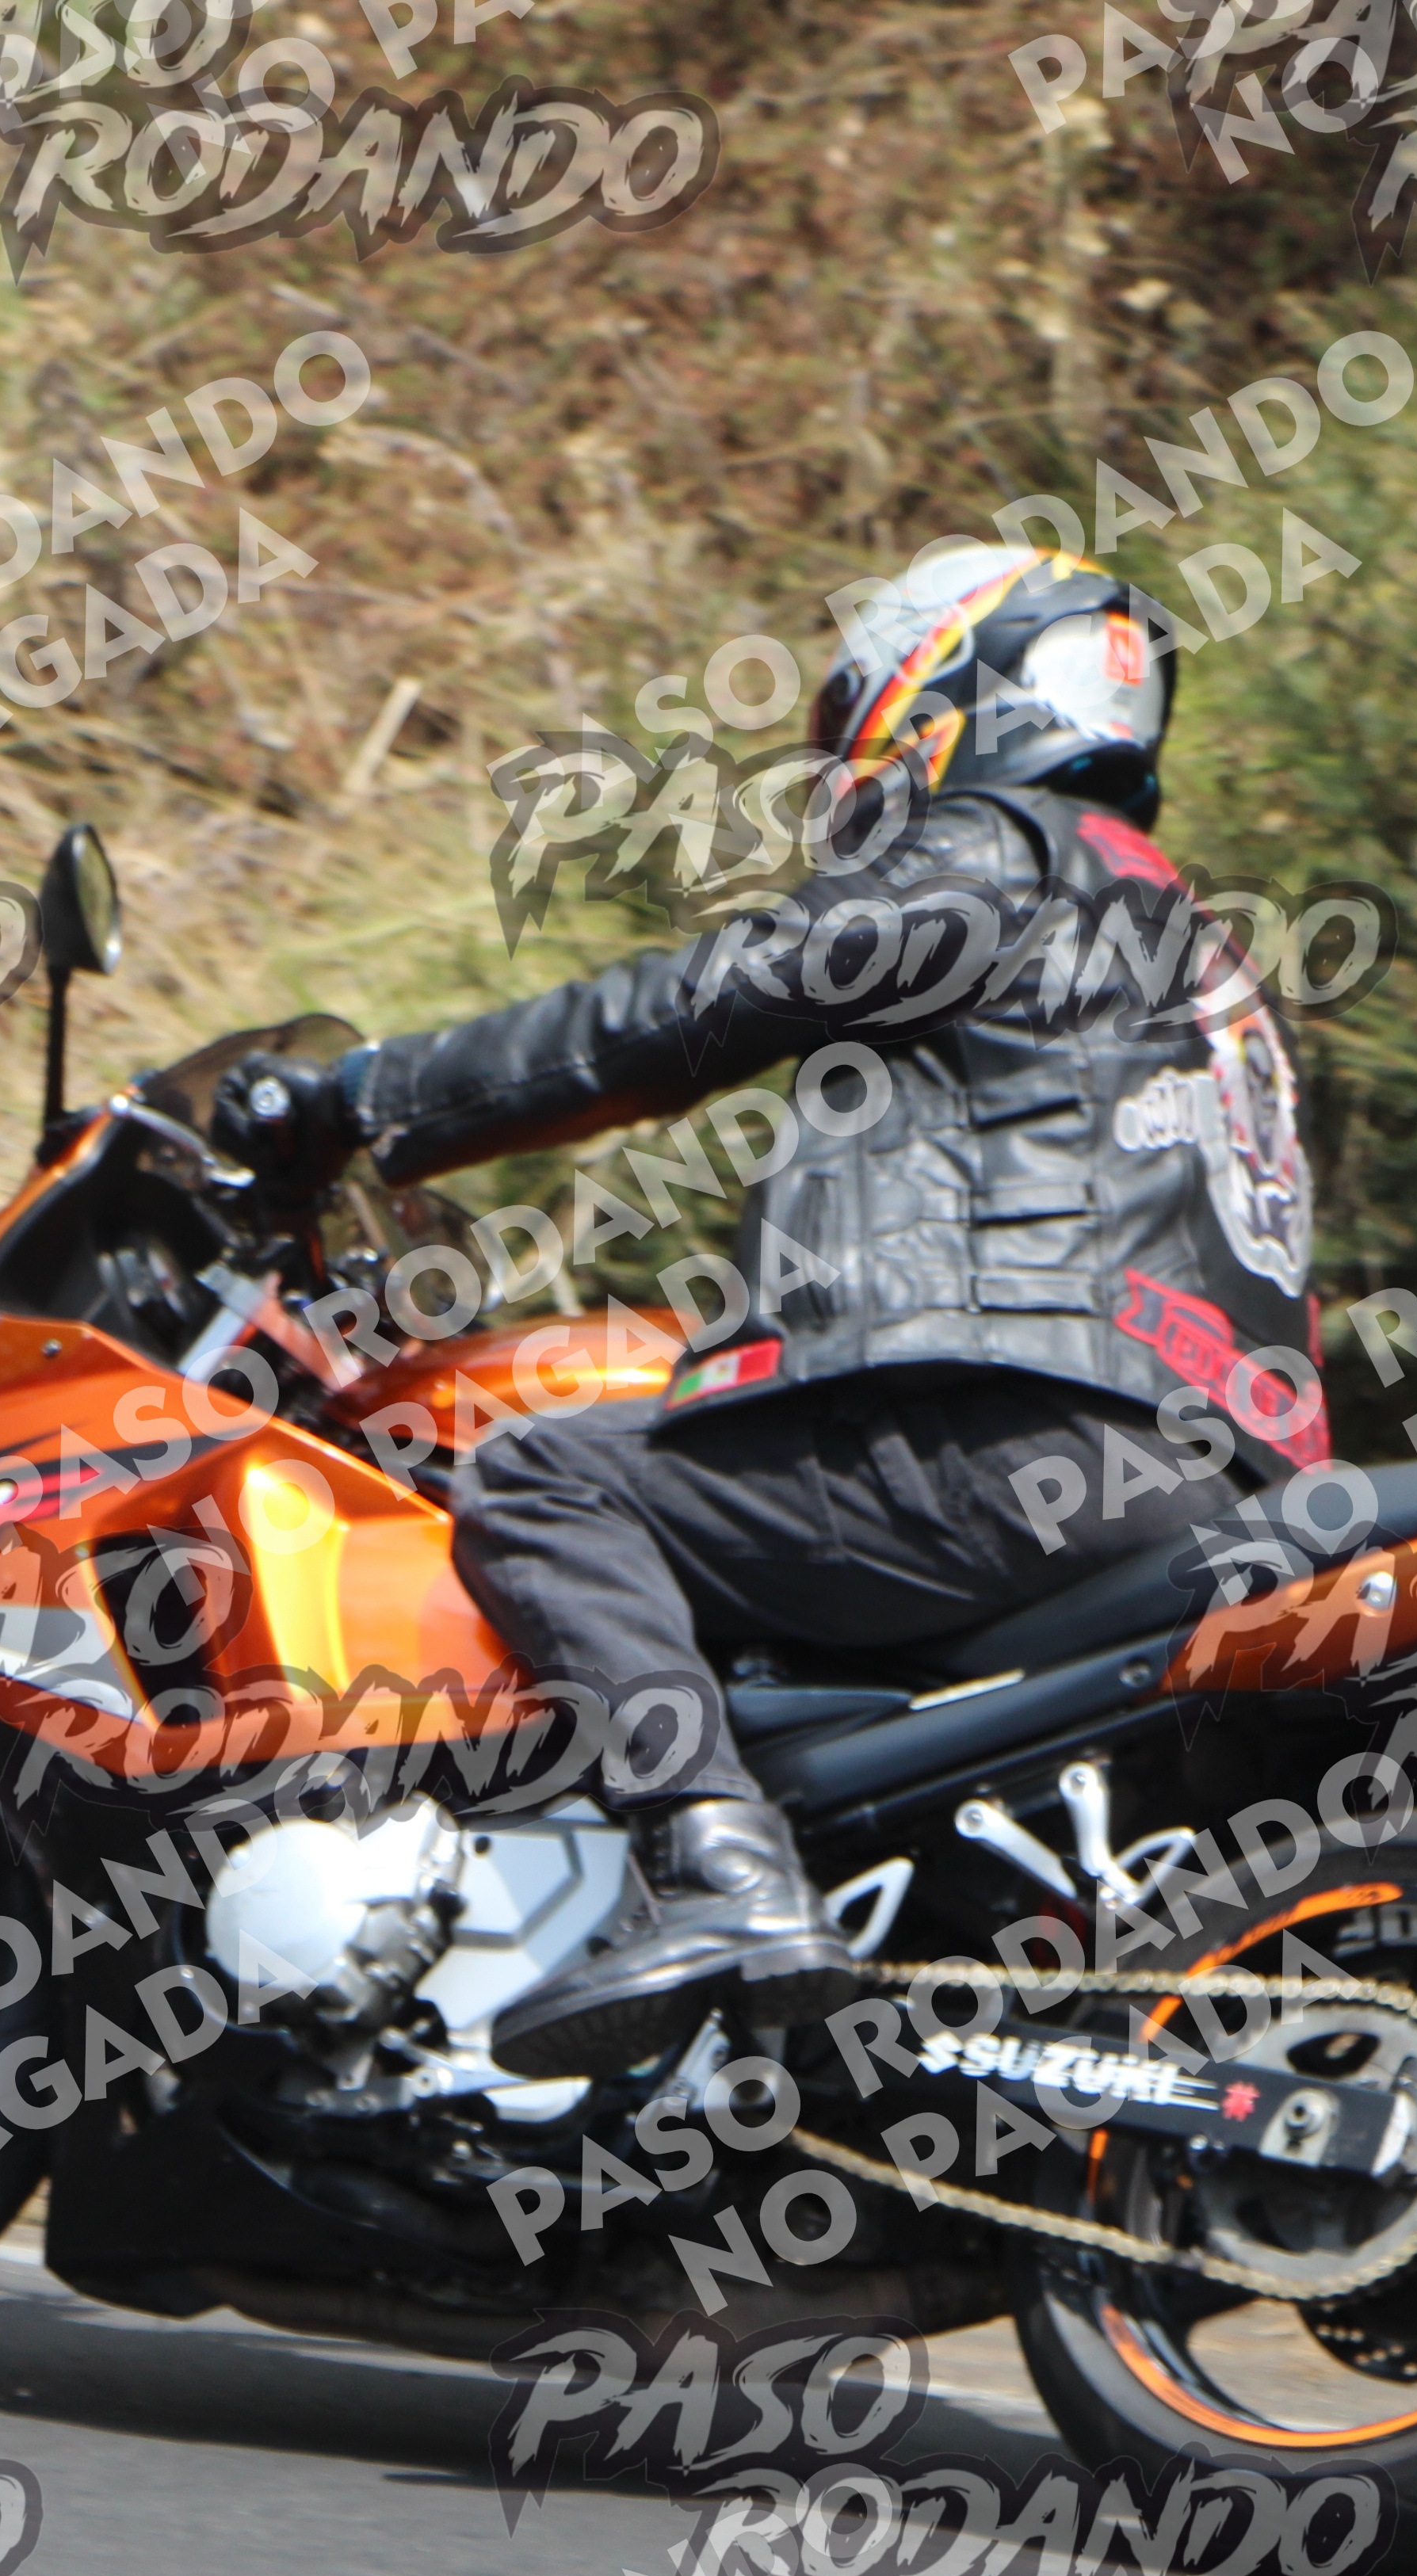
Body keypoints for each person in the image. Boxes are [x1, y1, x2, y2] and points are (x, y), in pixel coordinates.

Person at [210, 544, 1328, 2079]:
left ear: (938, 701)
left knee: (546, 1476)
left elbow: (688, 1010)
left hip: (1018, 1438)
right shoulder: (1190, 936)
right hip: (1204, 1466)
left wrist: (362, 1097)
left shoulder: (997, 850)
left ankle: (717, 1868)